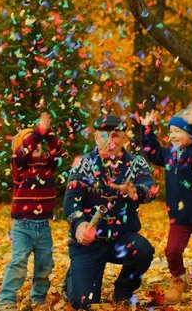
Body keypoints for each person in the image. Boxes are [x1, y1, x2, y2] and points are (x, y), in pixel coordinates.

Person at [63, 113, 157, 309]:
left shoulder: (136, 163)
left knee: (143, 250)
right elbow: (71, 201)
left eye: (115, 135)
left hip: (120, 239)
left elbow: (150, 189)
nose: (110, 141)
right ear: (96, 137)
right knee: (84, 302)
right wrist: (79, 226)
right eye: (104, 135)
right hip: (88, 242)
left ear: (124, 138)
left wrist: (137, 191)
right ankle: (73, 276)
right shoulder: (83, 164)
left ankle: (123, 290)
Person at [140, 102, 192, 311]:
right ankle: (178, 279)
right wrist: (147, 129)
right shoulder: (170, 155)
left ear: (191, 134)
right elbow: (152, 151)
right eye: (170, 131)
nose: (172, 135)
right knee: (172, 250)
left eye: (178, 130)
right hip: (179, 217)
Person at [0, 112, 63, 311]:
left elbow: (57, 149)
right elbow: (22, 153)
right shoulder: (19, 167)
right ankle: (6, 299)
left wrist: (47, 132)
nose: (35, 147)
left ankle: (38, 299)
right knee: (18, 262)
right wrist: (38, 131)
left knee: (45, 265)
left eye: (38, 144)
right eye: (30, 144)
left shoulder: (48, 166)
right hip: (22, 226)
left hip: (43, 227)